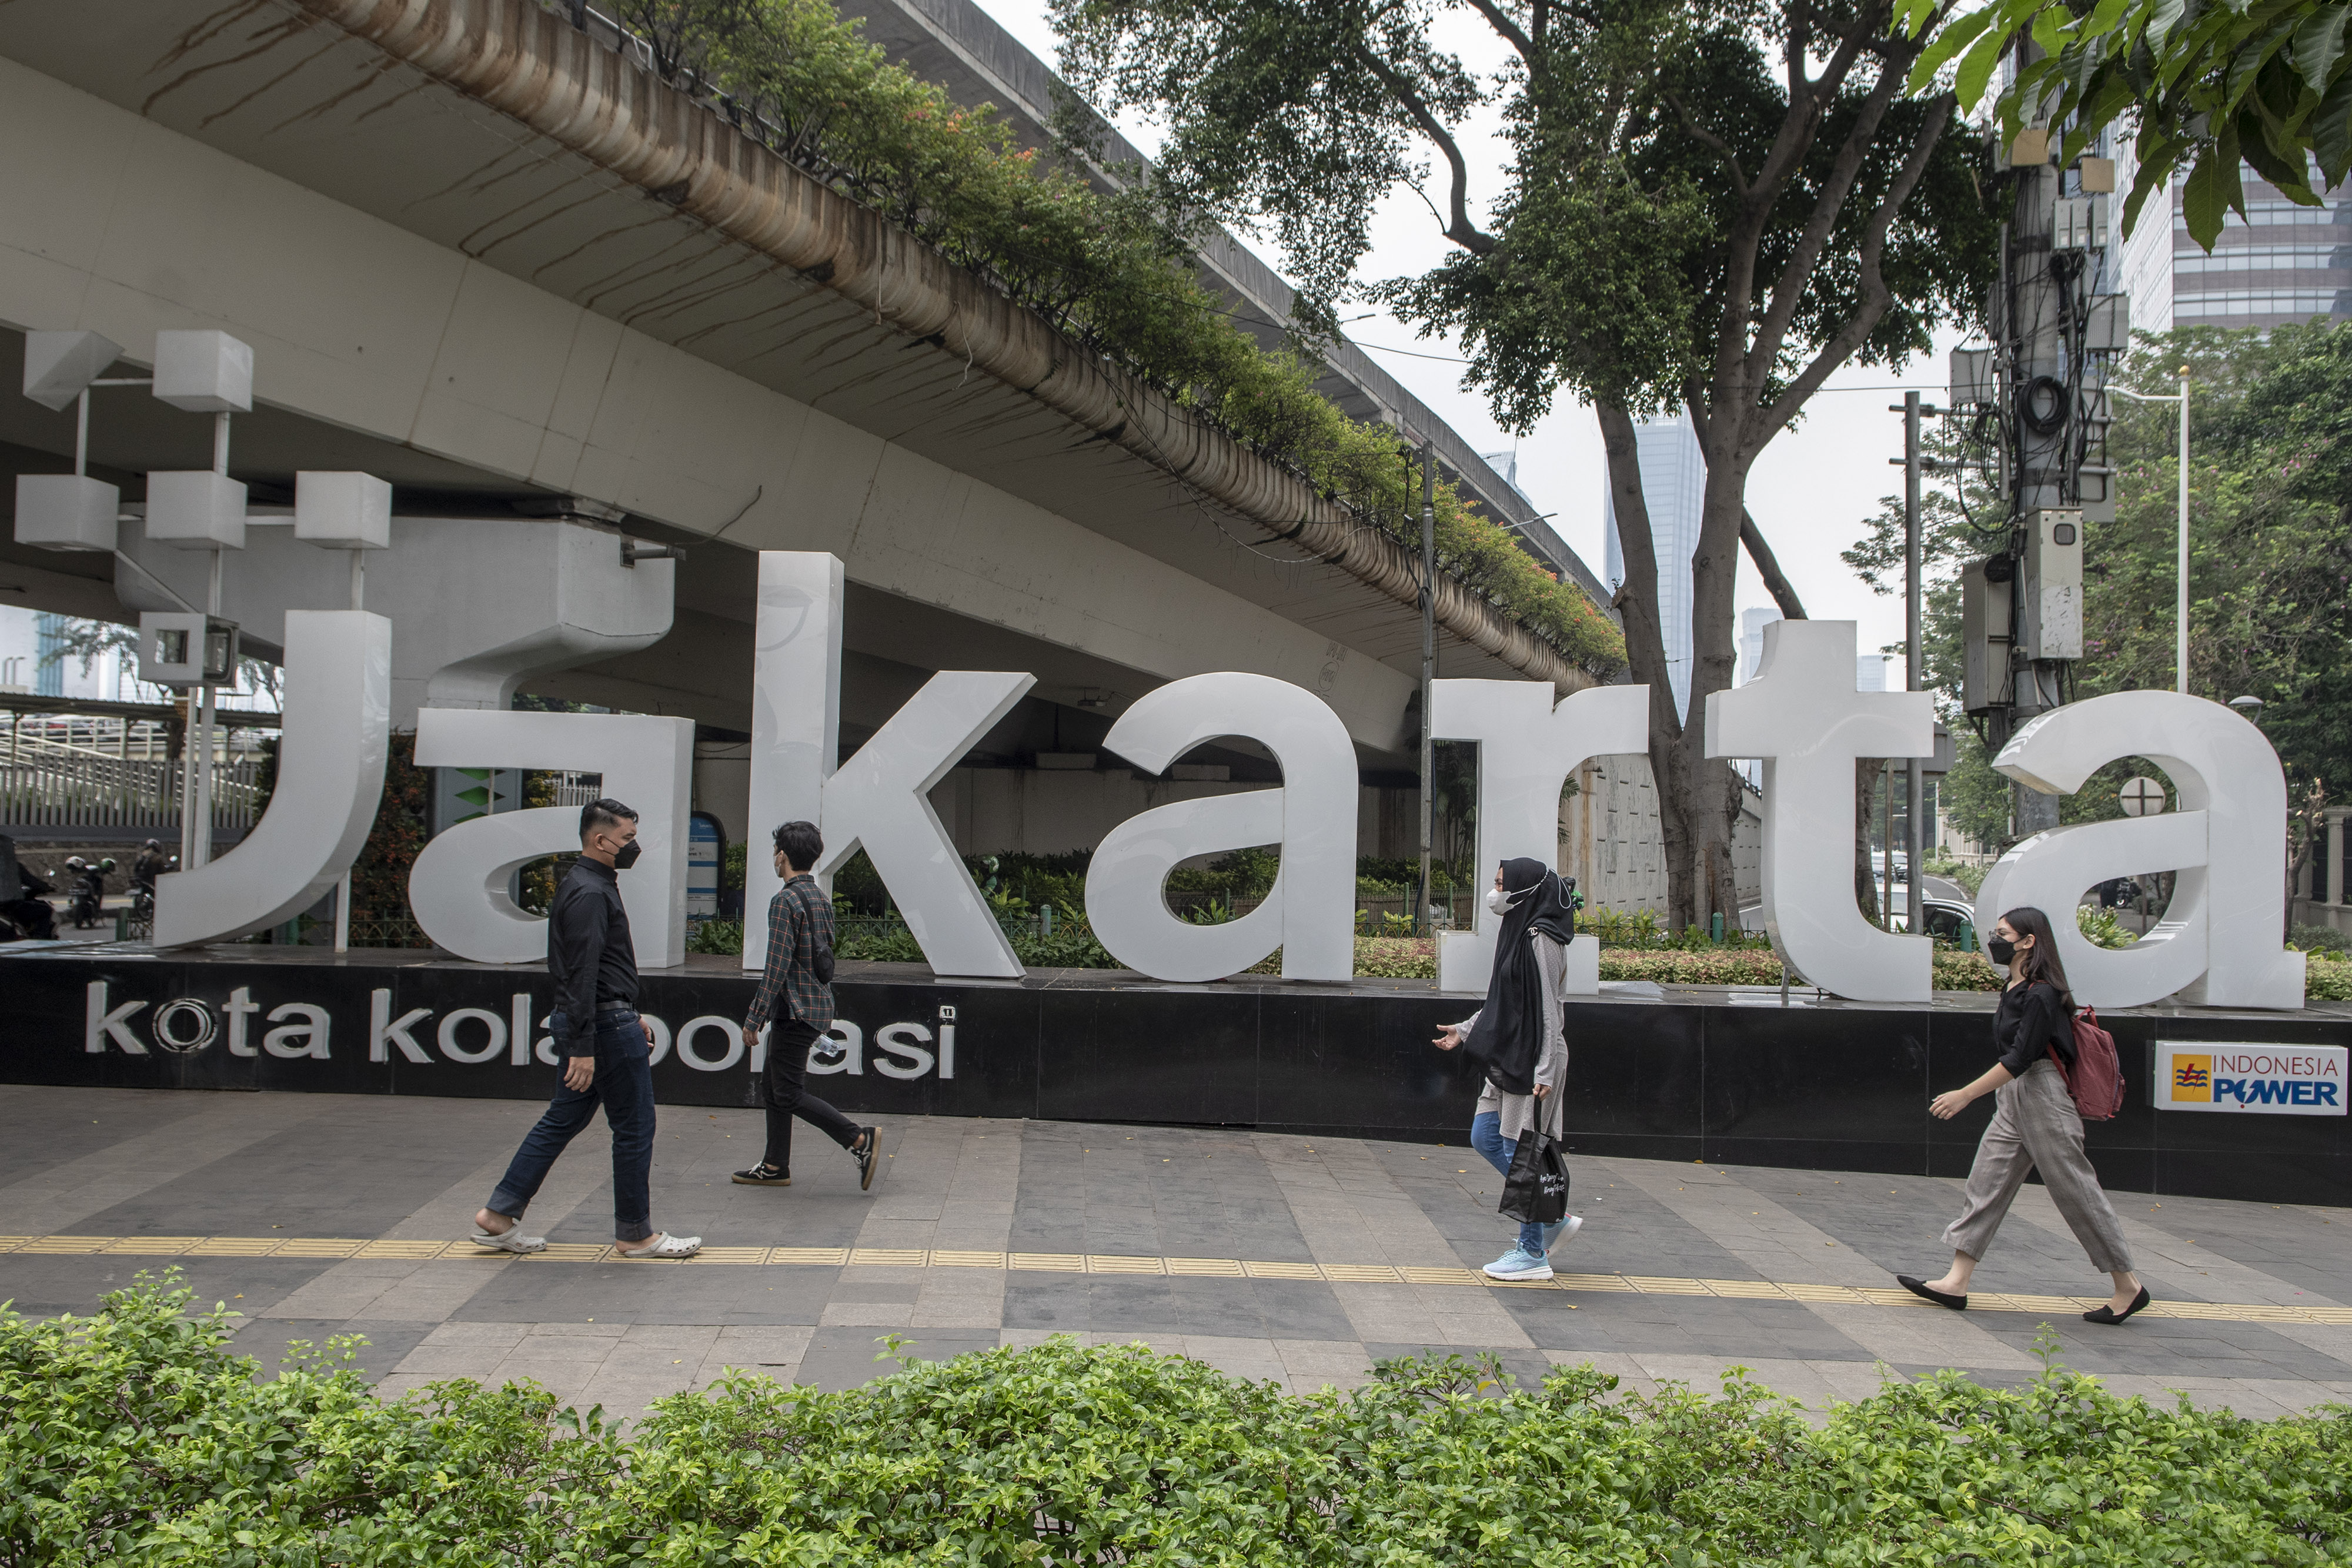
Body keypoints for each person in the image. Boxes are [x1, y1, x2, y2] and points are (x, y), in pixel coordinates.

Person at [470, 798, 701, 1259]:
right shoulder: (592, 892)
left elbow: (595, 969)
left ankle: (499, 1215)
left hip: (604, 1018)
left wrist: (620, 1009)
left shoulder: (585, 885)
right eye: (628, 839)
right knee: (635, 1127)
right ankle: (635, 1234)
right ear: (600, 840)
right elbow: (581, 971)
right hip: (602, 1025)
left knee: (564, 1117)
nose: (633, 847)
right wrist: (583, 1044)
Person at [1900, 905, 2149, 1324]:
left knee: (2075, 1188)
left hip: (2043, 1092)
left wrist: (1965, 1094)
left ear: (2029, 940)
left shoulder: (2042, 992)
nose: (1995, 941)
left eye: (2003, 933)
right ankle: (1956, 1281)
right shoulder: (2014, 987)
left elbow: (2021, 1057)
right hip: (2015, 1096)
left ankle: (2127, 1285)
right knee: (1987, 1181)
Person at [1431, 856, 1581, 1282]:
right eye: (1495, 883)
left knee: (1522, 1152)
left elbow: (1549, 1010)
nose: (1495, 893)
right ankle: (1551, 1218)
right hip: (1509, 1051)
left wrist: (1546, 1071)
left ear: (1526, 890)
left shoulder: (1543, 939)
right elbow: (1507, 1001)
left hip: (1533, 1058)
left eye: (1502, 884)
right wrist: (1464, 1029)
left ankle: (1533, 1251)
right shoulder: (1517, 931)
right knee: (1485, 1136)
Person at [734, 820, 880, 1191]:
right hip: (813, 1005)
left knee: (787, 1091)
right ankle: (774, 1165)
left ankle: (859, 1139)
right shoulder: (819, 898)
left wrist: (754, 1017)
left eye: (774, 852)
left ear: (782, 855)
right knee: (774, 1086)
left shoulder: (785, 900)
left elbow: (777, 965)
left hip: (794, 1010)